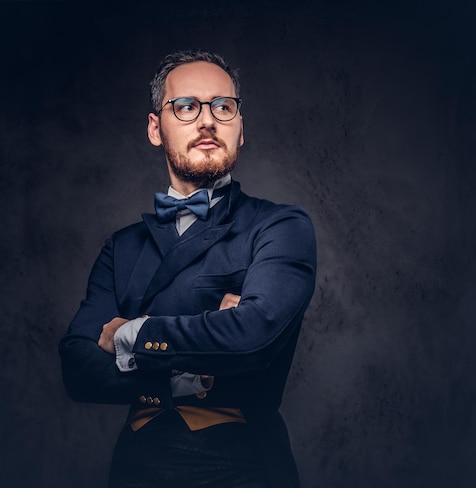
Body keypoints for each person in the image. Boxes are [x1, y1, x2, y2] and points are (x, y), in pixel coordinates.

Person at [58, 49, 317, 488]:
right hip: (134, 468)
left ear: (240, 129)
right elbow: (78, 367)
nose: (207, 120)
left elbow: (253, 338)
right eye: (186, 106)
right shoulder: (121, 247)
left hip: (241, 466)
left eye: (223, 106)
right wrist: (194, 366)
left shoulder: (280, 226)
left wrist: (130, 333)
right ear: (156, 129)